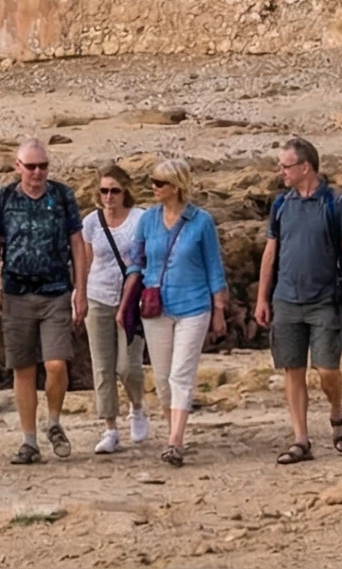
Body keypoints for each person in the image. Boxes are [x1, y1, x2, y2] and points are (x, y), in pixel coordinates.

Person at [253, 135, 342, 463]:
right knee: (293, 369)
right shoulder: (281, 204)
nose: (281, 171)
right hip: (286, 299)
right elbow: (270, 252)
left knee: (327, 369)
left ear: (305, 167)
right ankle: (301, 440)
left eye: (286, 166)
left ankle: (336, 410)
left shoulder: (337, 202)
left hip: (325, 300)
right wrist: (262, 298)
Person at [0, 138, 88, 464]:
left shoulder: (62, 196)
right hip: (16, 295)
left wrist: (81, 290)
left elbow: (77, 244)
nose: (38, 172)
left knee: (56, 363)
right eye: (31, 167)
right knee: (23, 369)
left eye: (43, 166)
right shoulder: (4, 198)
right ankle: (29, 441)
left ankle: (53, 421)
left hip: (56, 292)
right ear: (18, 167)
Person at [134, 157, 226, 468]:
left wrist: (219, 308)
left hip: (194, 305)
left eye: (159, 182)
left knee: (181, 374)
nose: (153, 187)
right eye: (152, 181)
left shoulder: (202, 221)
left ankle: (175, 440)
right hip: (156, 306)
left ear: (176, 186)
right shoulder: (148, 219)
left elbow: (214, 266)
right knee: (162, 378)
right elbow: (137, 259)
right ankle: (172, 431)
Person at [74, 163, 151, 454]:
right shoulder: (91, 222)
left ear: (125, 191)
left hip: (131, 300)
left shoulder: (140, 219)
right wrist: (78, 294)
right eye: (104, 191)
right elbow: (85, 260)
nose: (109, 196)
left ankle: (137, 407)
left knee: (127, 366)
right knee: (102, 366)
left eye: (114, 191)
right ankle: (110, 428)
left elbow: (147, 257)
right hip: (98, 296)